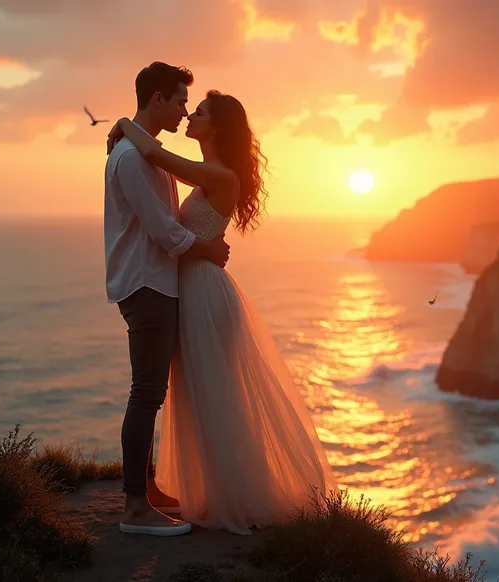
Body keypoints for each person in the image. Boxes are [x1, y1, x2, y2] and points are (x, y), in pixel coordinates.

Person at [106, 87, 339, 536]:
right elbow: (158, 161)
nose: (190, 114)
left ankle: (240, 495)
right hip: (192, 289)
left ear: (218, 126)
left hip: (205, 294)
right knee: (203, 396)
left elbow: (155, 153)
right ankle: (213, 491)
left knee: (219, 395)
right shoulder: (208, 174)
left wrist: (122, 124)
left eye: (201, 111)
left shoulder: (220, 176)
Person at [104, 61, 230, 536]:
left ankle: (147, 489)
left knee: (151, 392)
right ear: (157, 99)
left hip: (156, 282)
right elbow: (163, 231)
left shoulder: (142, 152)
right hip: (147, 282)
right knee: (147, 393)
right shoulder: (133, 158)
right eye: (179, 100)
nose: (182, 110)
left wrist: (120, 124)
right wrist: (208, 249)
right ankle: (135, 508)